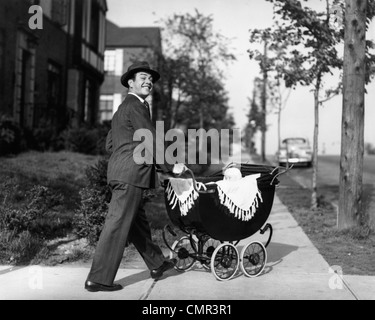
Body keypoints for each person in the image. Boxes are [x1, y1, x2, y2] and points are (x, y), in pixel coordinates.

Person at [85, 61, 186, 292]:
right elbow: (149, 138)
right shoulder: (137, 106)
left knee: (136, 222)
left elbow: (110, 143)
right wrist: (171, 166)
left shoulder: (122, 109)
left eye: (150, 79)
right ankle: (98, 278)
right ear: (130, 82)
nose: (148, 81)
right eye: (143, 77)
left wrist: (125, 156)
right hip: (131, 174)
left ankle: (157, 263)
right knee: (117, 224)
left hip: (122, 172)